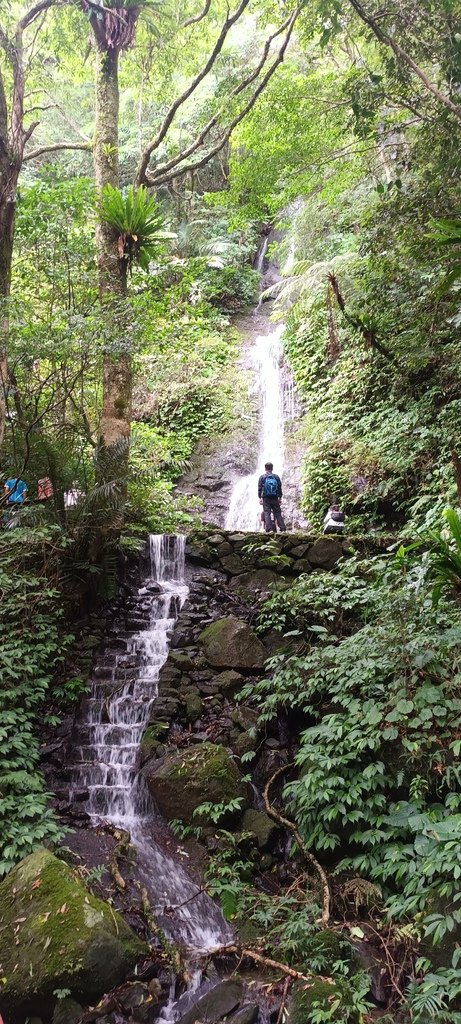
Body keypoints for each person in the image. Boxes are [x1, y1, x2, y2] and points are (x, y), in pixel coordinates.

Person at [258, 461, 286, 533]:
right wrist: (280, 497)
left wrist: (260, 498)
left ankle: (269, 529)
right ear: (272, 468)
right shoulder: (276, 477)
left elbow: (260, 488)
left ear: (265, 469)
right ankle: (283, 529)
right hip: (275, 498)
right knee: (277, 513)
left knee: (267, 513)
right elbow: (279, 487)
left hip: (266, 498)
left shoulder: (262, 477)